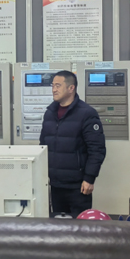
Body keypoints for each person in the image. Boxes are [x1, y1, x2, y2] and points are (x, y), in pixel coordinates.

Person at [40, 70, 106, 217]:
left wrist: (89, 178)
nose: (54, 89)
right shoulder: (50, 113)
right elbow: (43, 145)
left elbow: (97, 149)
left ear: (71, 88)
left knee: (79, 226)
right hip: (55, 184)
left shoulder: (87, 113)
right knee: (58, 225)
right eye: (53, 86)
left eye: (58, 85)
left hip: (78, 186)